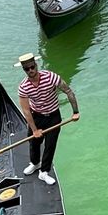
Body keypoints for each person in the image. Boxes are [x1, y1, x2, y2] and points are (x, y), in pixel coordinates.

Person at [15, 53, 80, 185]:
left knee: (50, 145)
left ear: (36, 65)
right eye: (27, 69)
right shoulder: (23, 87)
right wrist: (34, 130)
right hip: (36, 115)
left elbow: (68, 91)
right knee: (34, 142)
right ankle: (35, 163)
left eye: (32, 67)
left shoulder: (51, 77)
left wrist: (75, 112)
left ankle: (44, 172)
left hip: (53, 116)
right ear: (24, 70)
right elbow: (26, 111)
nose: (30, 70)